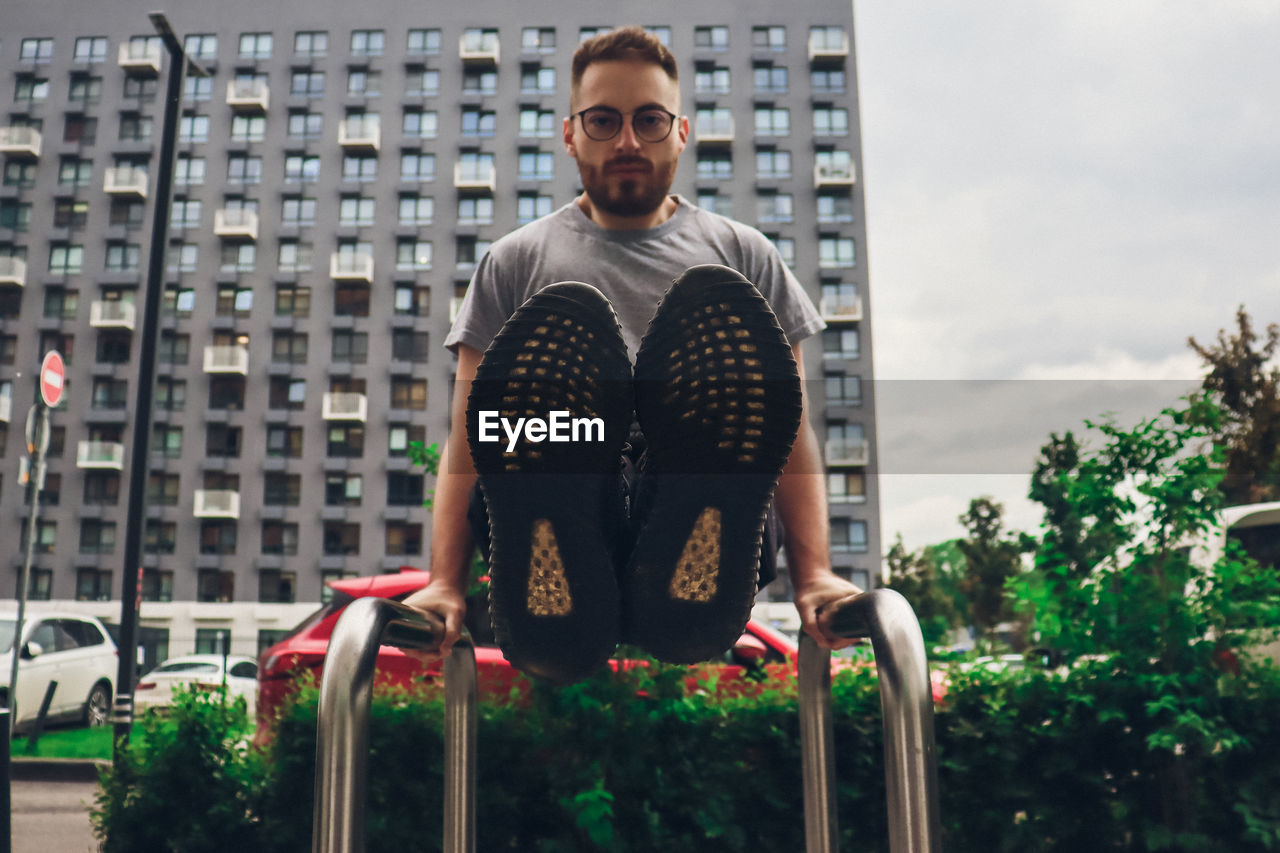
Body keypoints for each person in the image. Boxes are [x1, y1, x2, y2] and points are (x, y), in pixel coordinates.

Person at [405, 25, 862, 681]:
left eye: (650, 120)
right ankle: (562, 542)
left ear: (681, 131)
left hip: (706, 547)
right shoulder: (516, 262)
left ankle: (675, 540)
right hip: (560, 514)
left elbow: (788, 428)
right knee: (536, 426)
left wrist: (815, 575)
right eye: (603, 120)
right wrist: (442, 581)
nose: (626, 141)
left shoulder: (744, 257)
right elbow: (468, 432)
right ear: (570, 133)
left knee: (721, 410)